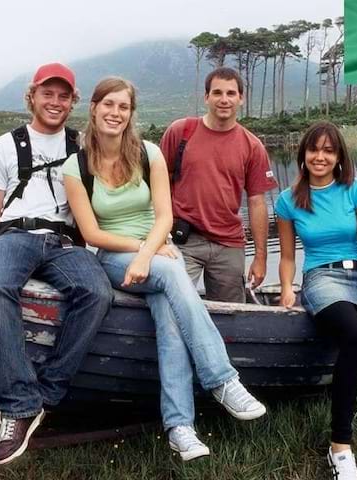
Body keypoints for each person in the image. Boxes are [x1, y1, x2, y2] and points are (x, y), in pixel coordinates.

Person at [63, 77, 266, 461]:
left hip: (156, 252)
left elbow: (164, 216)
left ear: (131, 113)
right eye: (108, 105)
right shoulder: (75, 168)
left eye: (123, 107)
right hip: (114, 257)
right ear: (93, 108)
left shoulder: (149, 154)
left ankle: (179, 428)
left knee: (169, 317)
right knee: (173, 274)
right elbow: (91, 233)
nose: (115, 113)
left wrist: (149, 254)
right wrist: (142, 252)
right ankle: (222, 379)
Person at [0, 63, 113, 465]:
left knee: (97, 292)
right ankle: (18, 406)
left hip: (64, 242)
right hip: (13, 236)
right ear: (32, 97)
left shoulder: (83, 148)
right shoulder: (4, 145)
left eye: (63, 95)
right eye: (47, 94)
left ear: (73, 102)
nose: (55, 102)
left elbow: (98, 205)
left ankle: (46, 395)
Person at [275, 121, 357, 480]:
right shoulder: (288, 200)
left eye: (329, 150)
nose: (320, 157)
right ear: (303, 154)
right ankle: (340, 448)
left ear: (339, 157)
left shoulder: (356, 191)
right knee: (353, 336)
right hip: (322, 278)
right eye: (314, 149)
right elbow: (288, 256)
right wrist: (287, 287)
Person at [159, 67, 277, 303]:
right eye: (217, 93)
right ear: (206, 97)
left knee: (231, 313)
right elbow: (158, 185)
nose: (224, 100)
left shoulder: (252, 146)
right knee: (170, 303)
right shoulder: (181, 132)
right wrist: (159, 238)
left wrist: (261, 257)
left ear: (241, 99)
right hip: (184, 239)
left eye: (231, 93)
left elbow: (256, 203)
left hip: (229, 243)